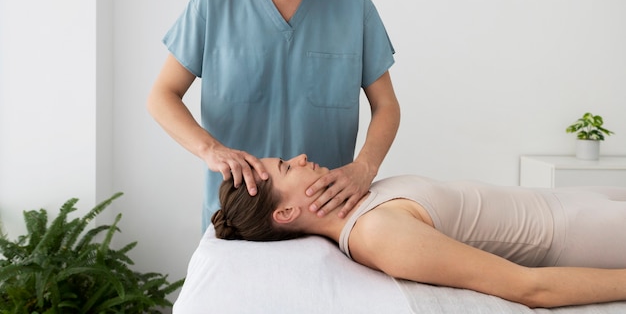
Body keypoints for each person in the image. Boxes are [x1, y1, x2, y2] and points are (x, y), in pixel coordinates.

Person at [147, 0, 401, 231]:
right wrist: (209, 149)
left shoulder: (353, 3)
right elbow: (161, 96)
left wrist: (365, 168)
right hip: (239, 223)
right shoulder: (213, 1)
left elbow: (386, 106)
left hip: (326, 218)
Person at [212, 154, 626, 308]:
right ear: (285, 212)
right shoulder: (377, 236)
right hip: (581, 234)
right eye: (286, 166)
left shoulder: (354, 194)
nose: (300, 157)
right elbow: (530, 288)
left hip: (572, 200)